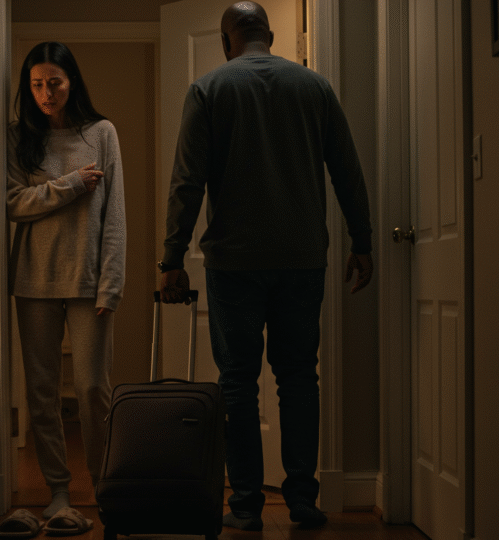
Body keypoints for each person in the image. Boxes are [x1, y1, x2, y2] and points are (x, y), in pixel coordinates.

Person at [158, 1, 374, 531]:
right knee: (299, 375)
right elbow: (347, 169)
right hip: (302, 259)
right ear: (270, 35)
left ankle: (247, 506)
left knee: (238, 382)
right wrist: (362, 241)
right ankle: (302, 499)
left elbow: (187, 181)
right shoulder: (314, 87)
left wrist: (171, 257)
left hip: (234, 262)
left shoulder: (209, 89)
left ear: (228, 40)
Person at [5, 41, 126, 529]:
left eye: (54, 82)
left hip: (88, 279)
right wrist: (72, 183)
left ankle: (103, 488)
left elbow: (113, 214)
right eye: (36, 84)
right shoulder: (17, 138)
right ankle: (57, 491)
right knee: (42, 390)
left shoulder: (101, 133)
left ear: (71, 81)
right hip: (32, 280)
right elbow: (13, 203)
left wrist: (111, 283)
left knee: (94, 387)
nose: (45, 92)